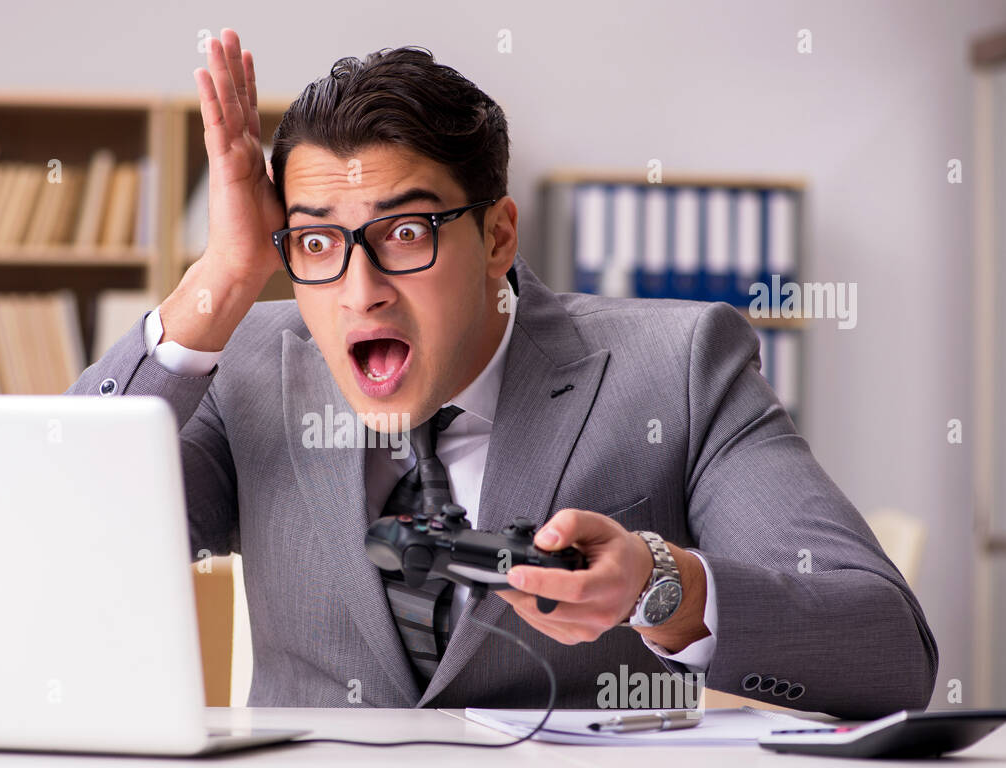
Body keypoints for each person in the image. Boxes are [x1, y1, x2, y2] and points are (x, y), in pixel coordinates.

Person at [68, 28, 937, 718]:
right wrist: (222, 276)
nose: (359, 293)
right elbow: (64, 521)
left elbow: (888, 649)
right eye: (319, 242)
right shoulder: (255, 367)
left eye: (405, 234)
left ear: (496, 238)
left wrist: (660, 586)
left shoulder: (679, 366)